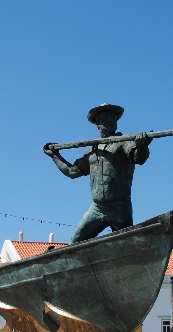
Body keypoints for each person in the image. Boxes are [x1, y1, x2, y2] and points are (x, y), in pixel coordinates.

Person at [44, 103, 153, 243]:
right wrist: (54, 156)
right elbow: (72, 172)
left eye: (114, 117)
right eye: (106, 117)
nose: (111, 120)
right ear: (98, 123)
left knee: (127, 244)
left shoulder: (125, 141)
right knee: (75, 242)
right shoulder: (92, 151)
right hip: (97, 208)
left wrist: (142, 146)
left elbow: (139, 158)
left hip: (119, 207)